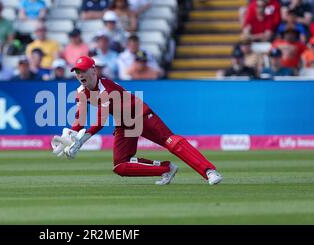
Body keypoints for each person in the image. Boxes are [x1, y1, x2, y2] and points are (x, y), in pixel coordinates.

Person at [52, 56, 223, 185]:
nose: (80, 75)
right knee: (120, 166)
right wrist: (71, 137)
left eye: (83, 70)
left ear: (94, 70)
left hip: (141, 114)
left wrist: (81, 141)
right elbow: (79, 119)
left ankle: (209, 171)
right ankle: (167, 168)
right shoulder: (81, 92)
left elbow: (101, 120)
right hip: (124, 122)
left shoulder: (106, 89)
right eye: (77, 72)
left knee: (171, 141)